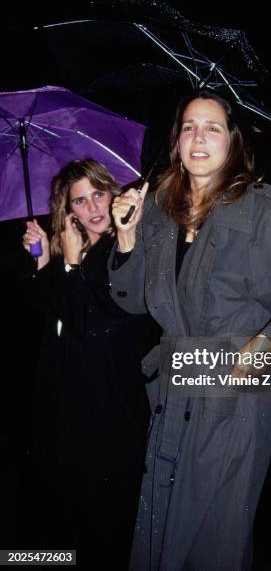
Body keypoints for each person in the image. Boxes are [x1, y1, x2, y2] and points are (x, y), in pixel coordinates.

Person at [109, 90, 271, 570]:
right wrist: (126, 241)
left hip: (233, 397)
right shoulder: (158, 212)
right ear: (176, 140)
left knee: (213, 542)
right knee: (160, 533)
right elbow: (130, 301)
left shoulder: (266, 211)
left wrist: (268, 348)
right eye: (189, 126)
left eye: (212, 127)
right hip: (172, 394)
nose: (199, 137)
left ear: (233, 142)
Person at [21, 159, 159, 570]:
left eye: (99, 193)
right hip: (72, 412)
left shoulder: (127, 250)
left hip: (112, 414)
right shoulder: (83, 254)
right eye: (79, 201)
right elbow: (53, 336)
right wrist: (46, 262)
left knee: (105, 530)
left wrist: (70, 267)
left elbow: (93, 327)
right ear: (69, 212)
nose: (93, 208)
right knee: (67, 525)